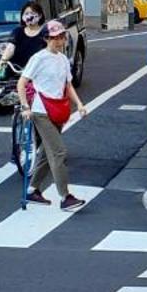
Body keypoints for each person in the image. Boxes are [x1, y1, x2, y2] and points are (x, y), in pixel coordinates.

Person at [18, 20, 88, 210]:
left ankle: (33, 190)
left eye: (61, 37)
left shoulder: (64, 59)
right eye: (55, 37)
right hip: (41, 110)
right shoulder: (39, 58)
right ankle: (65, 197)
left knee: (45, 154)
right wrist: (25, 107)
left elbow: (68, 85)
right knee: (58, 152)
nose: (59, 41)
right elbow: (22, 83)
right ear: (46, 39)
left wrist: (79, 104)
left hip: (58, 109)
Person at [0, 1, 51, 81]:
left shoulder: (45, 32)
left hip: (38, 73)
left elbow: (50, 51)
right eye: (26, 13)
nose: (29, 16)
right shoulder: (17, 31)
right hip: (17, 71)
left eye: (32, 13)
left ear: (39, 16)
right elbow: (10, 48)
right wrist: (2, 60)